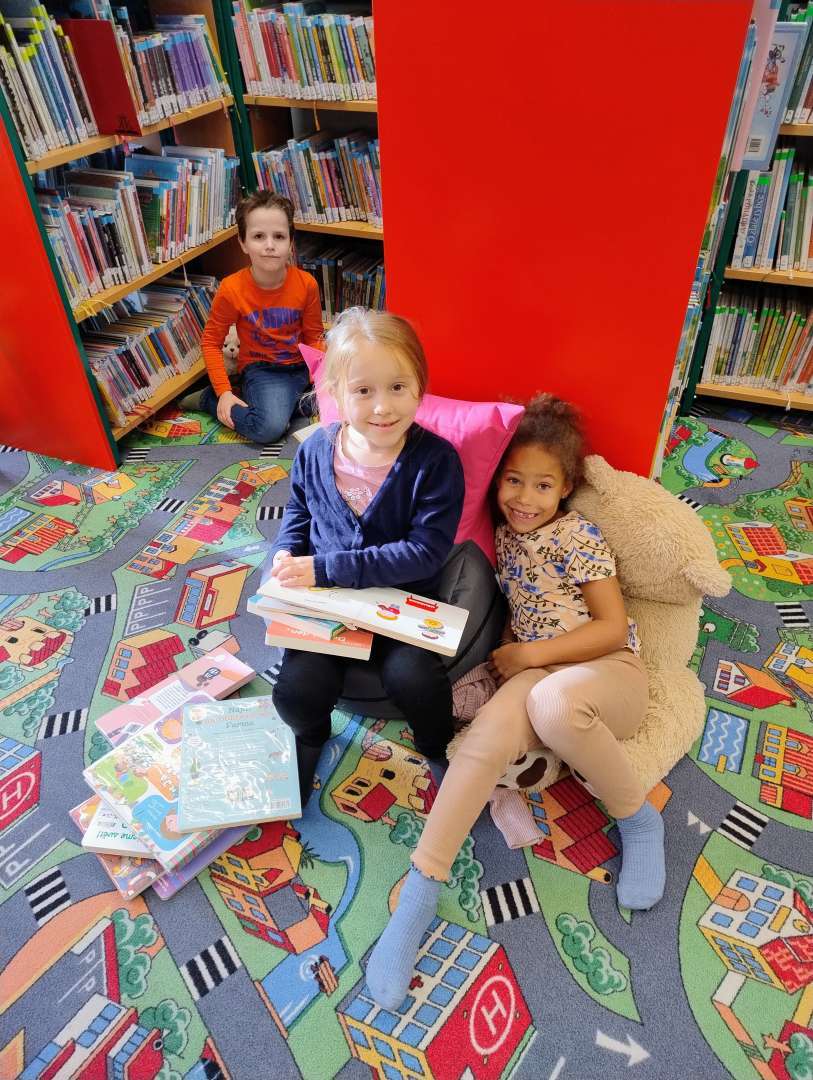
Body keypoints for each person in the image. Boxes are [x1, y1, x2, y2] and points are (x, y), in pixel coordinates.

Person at [366, 393, 663, 1010]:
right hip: (539, 674)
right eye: (514, 480)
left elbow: (612, 628)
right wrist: (508, 663)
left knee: (553, 704)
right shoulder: (503, 535)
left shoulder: (577, 534)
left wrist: (526, 656)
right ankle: (420, 891)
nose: (525, 498)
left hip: (610, 673)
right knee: (479, 743)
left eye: (543, 485)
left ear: (566, 488)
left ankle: (639, 819)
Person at [266, 307, 465, 802]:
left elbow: (424, 552)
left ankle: (436, 748)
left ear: (419, 386)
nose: (382, 407)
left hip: (402, 602)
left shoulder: (437, 461)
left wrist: (326, 568)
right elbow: (299, 509)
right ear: (335, 393)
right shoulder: (315, 451)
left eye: (398, 387)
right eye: (363, 391)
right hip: (330, 607)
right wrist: (285, 551)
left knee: (416, 681)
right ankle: (311, 738)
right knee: (295, 693)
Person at [179, 191, 323, 443]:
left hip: (300, 366)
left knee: (350, 400)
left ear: (291, 242)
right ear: (243, 243)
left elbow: (314, 337)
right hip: (263, 370)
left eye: (279, 236)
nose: (270, 245)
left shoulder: (307, 284)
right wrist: (223, 392)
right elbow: (211, 342)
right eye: (258, 236)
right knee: (269, 428)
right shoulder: (231, 288)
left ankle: (284, 402)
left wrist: (322, 378)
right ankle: (208, 399)